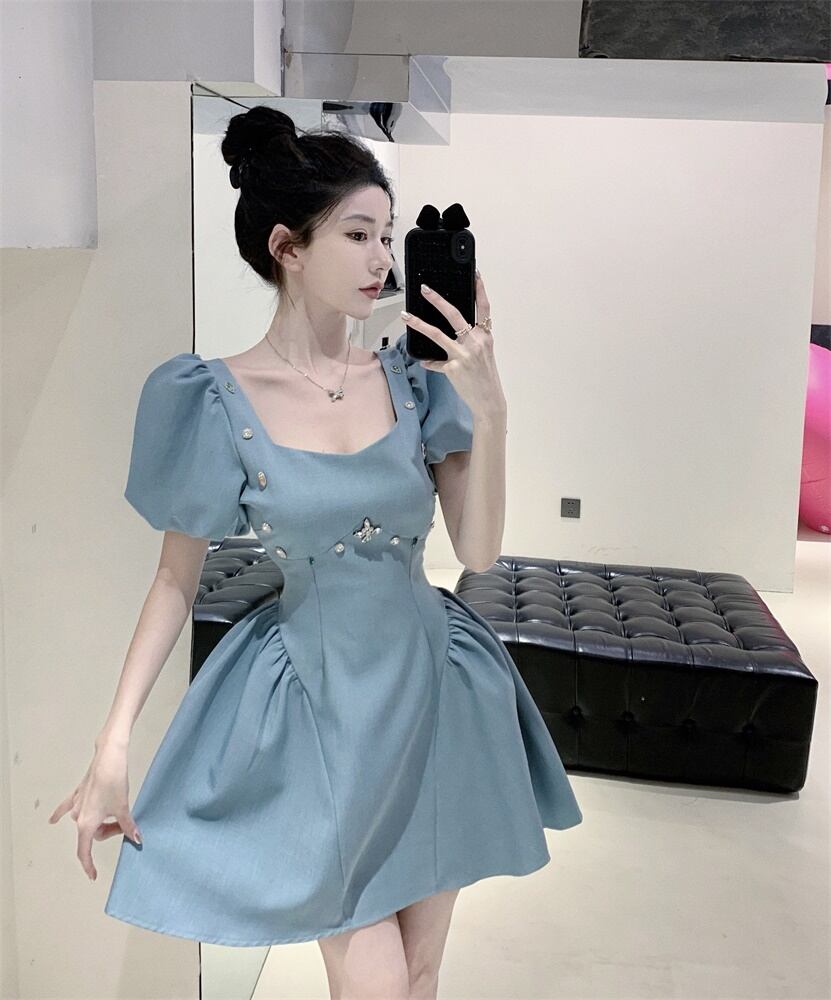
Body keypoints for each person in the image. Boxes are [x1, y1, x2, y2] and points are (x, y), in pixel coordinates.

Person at [49, 105, 583, 1000]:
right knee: (374, 981)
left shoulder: (415, 382)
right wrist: (114, 739)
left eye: (388, 236)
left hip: (436, 686)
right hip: (317, 707)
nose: (383, 261)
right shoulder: (212, 396)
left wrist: (490, 407)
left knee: (418, 974)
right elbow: (175, 580)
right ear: (287, 247)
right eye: (358, 234)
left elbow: (479, 552)